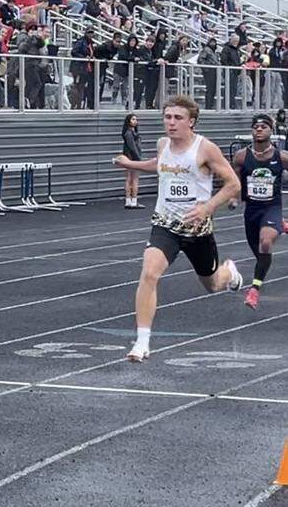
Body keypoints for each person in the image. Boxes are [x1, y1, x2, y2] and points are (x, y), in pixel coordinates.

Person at [113, 96, 243, 362]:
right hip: (165, 225)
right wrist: (131, 164)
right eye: (167, 117)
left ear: (191, 122)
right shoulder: (163, 145)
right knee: (149, 273)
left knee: (213, 284)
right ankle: (142, 342)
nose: (171, 123)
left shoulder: (205, 149)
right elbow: (160, 166)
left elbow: (233, 185)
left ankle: (229, 272)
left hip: (197, 230)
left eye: (178, 118)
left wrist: (207, 208)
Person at [230, 113, 286, 309]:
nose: (259, 129)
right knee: (261, 255)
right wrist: (234, 199)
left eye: (264, 126)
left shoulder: (281, 157)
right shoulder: (241, 157)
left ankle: (254, 289)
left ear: (271, 130)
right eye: (256, 126)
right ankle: (282, 225)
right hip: (251, 211)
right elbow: (234, 183)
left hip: (272, 207)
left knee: (266, 242)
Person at [121, 113, 145, 209]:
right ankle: (132, 200)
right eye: (133, 119)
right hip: (132, 158)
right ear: (128, 121)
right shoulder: (129, 133)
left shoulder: (131, 133)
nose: (135, 121)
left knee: (129, 179)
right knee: (133, 179)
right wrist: (138, 158)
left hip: (129, 157)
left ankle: (129, 200)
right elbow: (133, 147)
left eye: (136, 119)